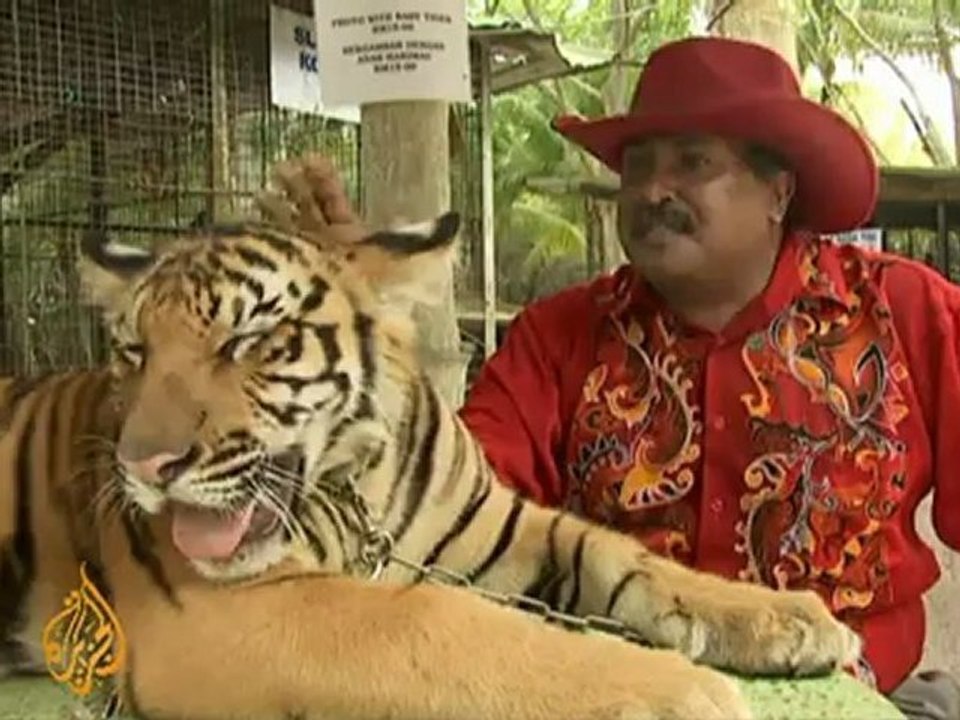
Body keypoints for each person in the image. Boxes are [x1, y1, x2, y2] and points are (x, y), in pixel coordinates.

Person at [260, 37, 959, 720]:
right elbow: (452, 501)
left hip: (856, 690)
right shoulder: (558, 336)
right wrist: (356, 318)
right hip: (619, 692)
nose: (653, 189)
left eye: (691, 163)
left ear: (777, 193)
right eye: (638, 166)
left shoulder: (907, 313)